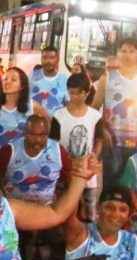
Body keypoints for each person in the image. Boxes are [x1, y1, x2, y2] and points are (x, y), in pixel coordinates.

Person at [0, 115, 72, 260]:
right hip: (18, 214)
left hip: (48, 212)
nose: (38, 140)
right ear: (25, 133)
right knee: (18, 257)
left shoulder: (58, 151)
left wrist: (59, 205)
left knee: (51, 256)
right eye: (33, 134)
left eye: (42, 135)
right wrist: (5, 204)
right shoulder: (9, 151)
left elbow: (68, 182)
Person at [93, 38, 137, 188]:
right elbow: (95, 108)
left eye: (132, 51)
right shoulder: (107, 78)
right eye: (123, 51)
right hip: (112, 142)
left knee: (135, 185)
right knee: (110, 183)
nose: (127, 55)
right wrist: (101, 129)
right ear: (117, 53)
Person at [50, 73, 105, 221]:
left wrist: (94, 155)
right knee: (65, 208)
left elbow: (99, 139)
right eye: (71, 92)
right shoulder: (58, 116)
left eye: (78, 93)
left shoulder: (95, 116)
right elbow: (53, 144)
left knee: (89, 210)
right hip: (65, 172)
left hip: (87, 172)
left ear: (86, 93)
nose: (73, 97)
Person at [0, 67, 47, 156]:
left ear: (22, 86)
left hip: (22, 161)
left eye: (13, 80)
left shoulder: (33, 107)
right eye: (5, 79)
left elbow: (48, 127)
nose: (7, 82)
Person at [29, 47, 69, 114]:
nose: (48, 61)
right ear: (41, 59)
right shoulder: (32, 76)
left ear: (58, 60)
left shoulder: (64, 79)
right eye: (44, 58)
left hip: (55, 122)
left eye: (52, 58)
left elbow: (68, 103)